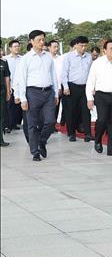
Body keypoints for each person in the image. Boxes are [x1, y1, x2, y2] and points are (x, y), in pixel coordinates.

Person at [15, 30, 60, 161]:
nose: (42, 42)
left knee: (51, 121)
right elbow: (21, 79)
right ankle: (35, 152)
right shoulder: (26, 59)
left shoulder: (48, 57)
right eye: (39, 40)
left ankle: (42, 141)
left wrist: (56, 93)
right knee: (32, 124)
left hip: (48, 92)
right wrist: (23, 98)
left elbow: (53, 76)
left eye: (43, 39)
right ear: (31, 41)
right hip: (32, 93)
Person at [61, 36, 93, 142]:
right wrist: (65, 87)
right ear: (76, 45)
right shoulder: (68, 57)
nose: (83, 48)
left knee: (86, 110)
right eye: (81, 45)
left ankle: (88, 133)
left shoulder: (89, 57)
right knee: (71, 111)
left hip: (85, 87)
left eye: (85, 46)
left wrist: (92, 87)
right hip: (72, 87)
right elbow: (64, 73)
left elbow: (91, 73)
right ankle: (71, 133)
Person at [4, 39, 23, 133]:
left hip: (20, 86)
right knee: (8, 106)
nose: (17, 48)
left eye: (18, 46)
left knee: (17, 106)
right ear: (10, 48)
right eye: (15, 46)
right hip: (9, 86)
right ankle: (7, 125)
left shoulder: (22, 58)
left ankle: (14, 123)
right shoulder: (5, 59)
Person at [0, 52, 10, 147]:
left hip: (1, 92)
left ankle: (1, 139)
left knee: (1, 116)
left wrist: (8, 91)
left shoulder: (4, 62)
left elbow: (7, 78)